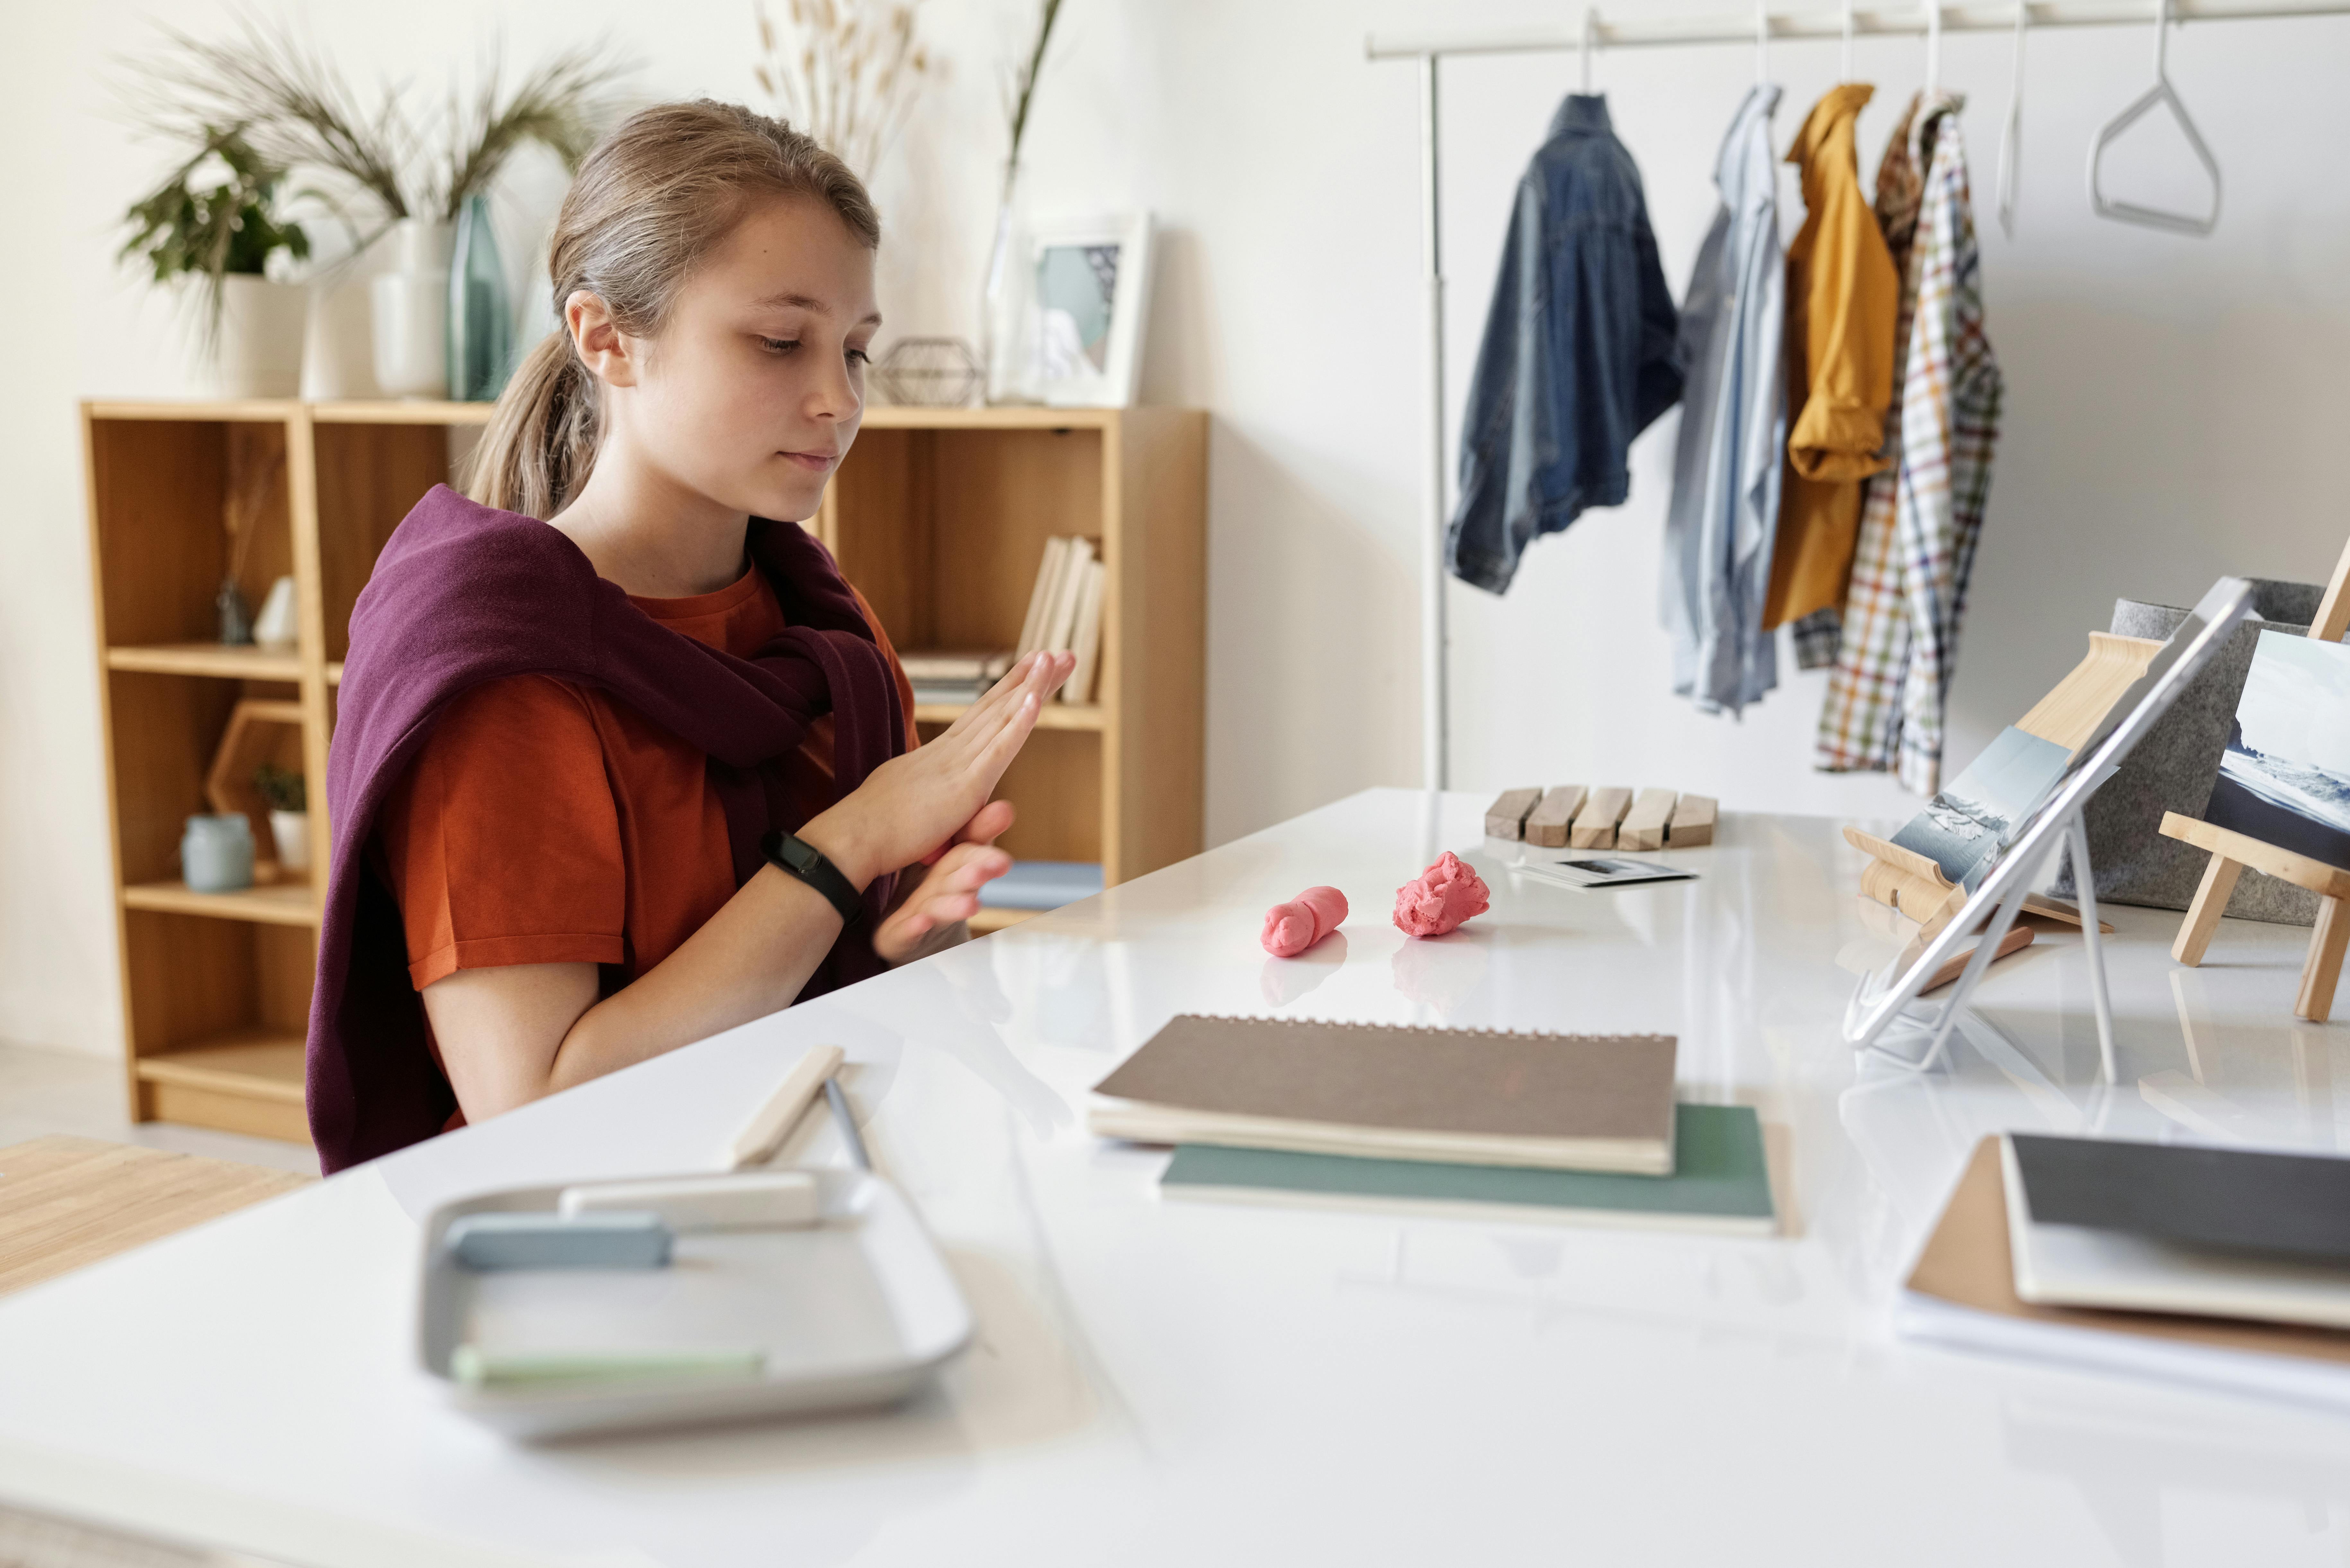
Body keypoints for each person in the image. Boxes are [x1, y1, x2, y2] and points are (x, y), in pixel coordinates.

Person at [303, 100, 1070, 1172]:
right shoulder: (508, 676)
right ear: (607, 339)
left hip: (807, 1196)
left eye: (856, 352)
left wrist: (901, 952)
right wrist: (848, 849)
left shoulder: (819, 631)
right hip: (584, 1253)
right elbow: (535, 1108)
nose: (837, 400)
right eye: (777, 342)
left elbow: (812, 1005)